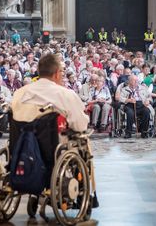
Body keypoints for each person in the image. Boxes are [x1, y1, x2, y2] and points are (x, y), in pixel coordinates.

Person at [11, 53, 97, 202]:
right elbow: (80, 124)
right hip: (52, 148)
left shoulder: (20, 93)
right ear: (57, 73)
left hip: (20, 146)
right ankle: (85, 193)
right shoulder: (65, 94)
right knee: (83, 142)